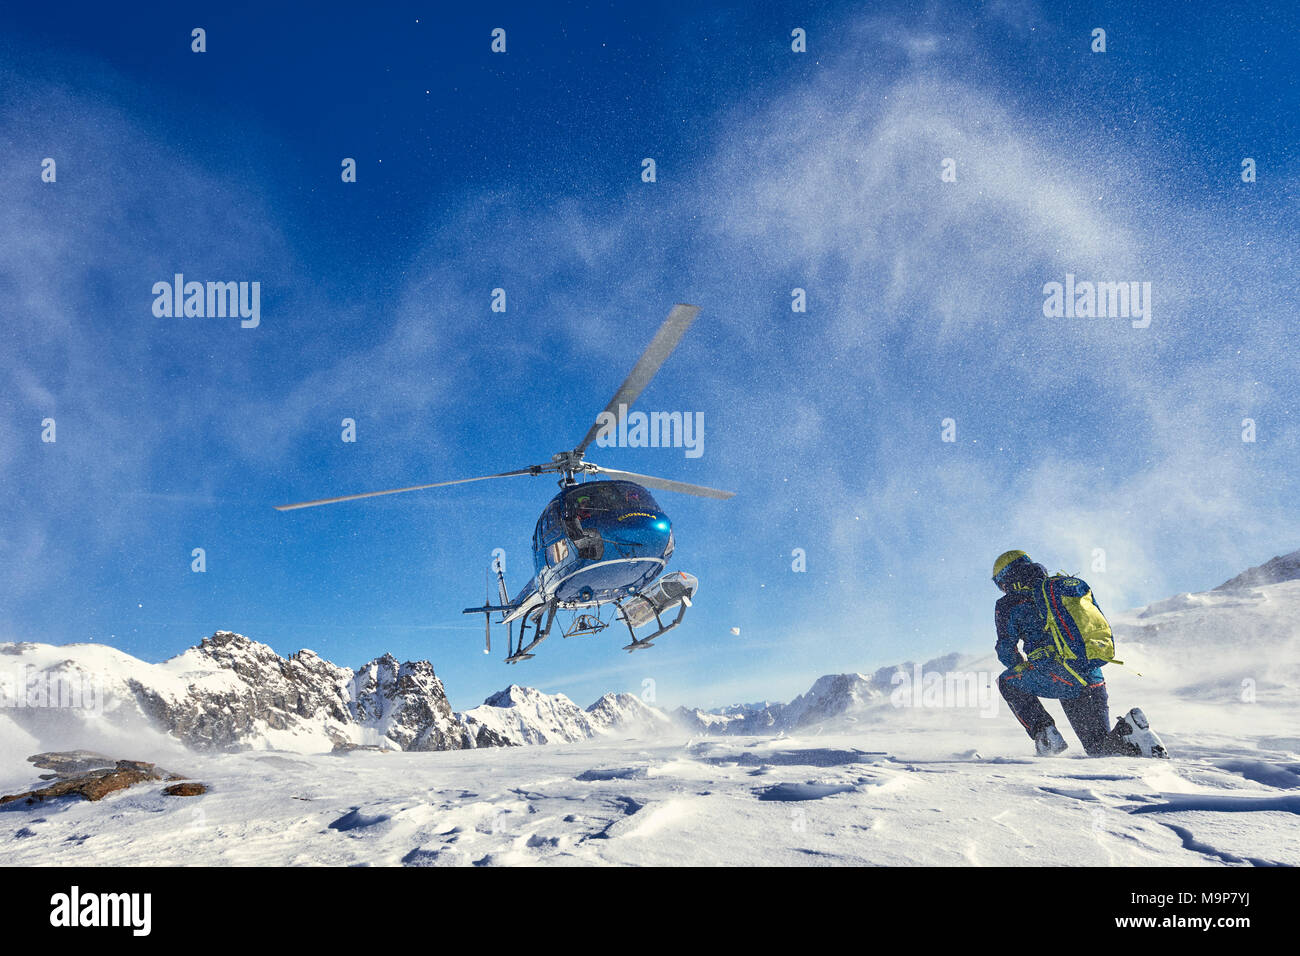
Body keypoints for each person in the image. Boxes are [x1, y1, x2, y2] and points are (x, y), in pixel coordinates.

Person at [992, 550, 1167, 758]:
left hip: (1057, 675)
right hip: (1091, 672)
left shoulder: (1008, 604)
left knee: (1008, 682)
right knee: (1099, 747)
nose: (1002, 589)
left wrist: (1022, 666)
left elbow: (1006, 650)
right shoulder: (1063, 588)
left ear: (1008, 576)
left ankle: (1046, 736)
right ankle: (1130, 729)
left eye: (1000, 583)